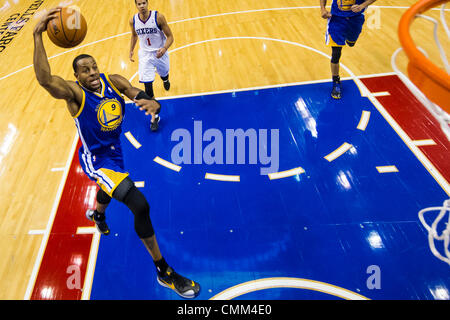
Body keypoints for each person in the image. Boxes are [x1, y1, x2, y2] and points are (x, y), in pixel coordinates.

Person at [33, 7, 200, 299]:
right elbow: (46, 80)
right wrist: (37, 36)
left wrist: (150, 102)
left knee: (110, 188)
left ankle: (97, 215)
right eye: (85, 70)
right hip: (96, 160)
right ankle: (163, 271)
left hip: (116, 152)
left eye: (94, 67)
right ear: (76, 76)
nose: (93, 73)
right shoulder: (74, 95)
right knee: (140, 205)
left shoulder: (114, 81)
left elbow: (136, 92)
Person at [129, 0, 174, 131]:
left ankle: (165, 79)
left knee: (164, 72)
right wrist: (131, 50)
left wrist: (164, 48)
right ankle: (155, 117)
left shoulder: (158, 17)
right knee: (148, 87)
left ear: (147, 3)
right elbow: (133, 36)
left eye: (144, 3)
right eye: (139, 4)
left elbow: (170, 36)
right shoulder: (133, 20)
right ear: (136, 5)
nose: (142, 6)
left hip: (160, 52)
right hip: (145, 55)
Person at [320, 0, 377, 99]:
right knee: (336, 53)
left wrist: (362, 5)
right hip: (336, 19)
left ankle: (349, 38)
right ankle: (336, 81)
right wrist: (323, 9)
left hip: (355, 19)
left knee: (351, 43)